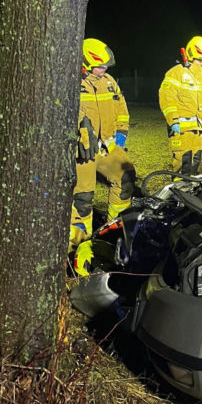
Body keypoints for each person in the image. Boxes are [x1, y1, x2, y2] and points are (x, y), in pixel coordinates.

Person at [69, 38, 136, 252]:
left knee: (126, 178)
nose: (104, 69)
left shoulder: (109, 81)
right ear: (85, 62)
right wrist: (79, 132)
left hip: (105, 148)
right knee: (83, 197)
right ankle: (81, 245)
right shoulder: (72, 82)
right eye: (100, 65)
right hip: (81, 151)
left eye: (107, 66)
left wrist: (121, 135)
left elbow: (121, 109)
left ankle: (114, 229)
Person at [159, 36, 202, 175]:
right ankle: (177, 192)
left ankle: (190, 190)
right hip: (181, 130)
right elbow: (167, 98)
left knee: (195, 162)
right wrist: (173, 121)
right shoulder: (176, 72)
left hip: (197, 129)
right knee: (182, 164)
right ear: (191, 57)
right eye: (200, 60)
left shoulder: (201, 78)